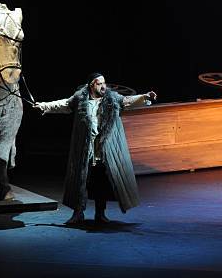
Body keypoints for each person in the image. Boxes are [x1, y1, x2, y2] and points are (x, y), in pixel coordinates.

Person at [34, 73, 157, 225]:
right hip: (86, 149)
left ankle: (101, 214)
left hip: (104, 150)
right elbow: (64, 104)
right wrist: (44, 106)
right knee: (81, 181)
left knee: (102, 182)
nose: (103, 86)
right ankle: (78, 214)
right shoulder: (80, 98)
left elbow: (128, 100)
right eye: (99, 84)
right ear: (91, 85)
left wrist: (145, 97)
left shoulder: (112, 99)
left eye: (104, 83)